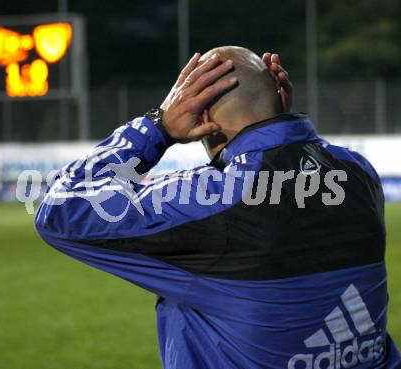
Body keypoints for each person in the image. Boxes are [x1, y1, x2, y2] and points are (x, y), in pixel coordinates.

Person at [35, 46, 401, 369]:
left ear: (204, 120)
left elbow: (58, 208)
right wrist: (277, 119)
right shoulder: (357, 174)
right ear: (279, 97)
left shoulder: (213, 200)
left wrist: (157, 126)